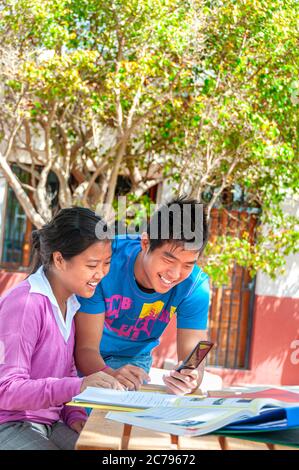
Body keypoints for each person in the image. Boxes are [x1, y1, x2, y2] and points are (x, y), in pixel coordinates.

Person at [0, 207, 122, 450]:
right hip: (10, 423)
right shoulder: (26, 303)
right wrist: (79, 386)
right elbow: (7, 389)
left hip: (51, 422)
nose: (101, 274)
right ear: (58, 259)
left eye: (106, 263)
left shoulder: (70, 304)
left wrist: (75, 415)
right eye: (92, 265)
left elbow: (65, 374)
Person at [75, 197, 210, 395]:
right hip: (82, 355)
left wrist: (191, 377)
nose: (175, 274)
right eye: (168, 259)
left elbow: (196, 353)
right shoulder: (106, 260)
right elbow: (85, 349)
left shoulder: (195, 286)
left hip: (134, 360)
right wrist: (109, 374)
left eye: (188, 264)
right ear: (145, 243)